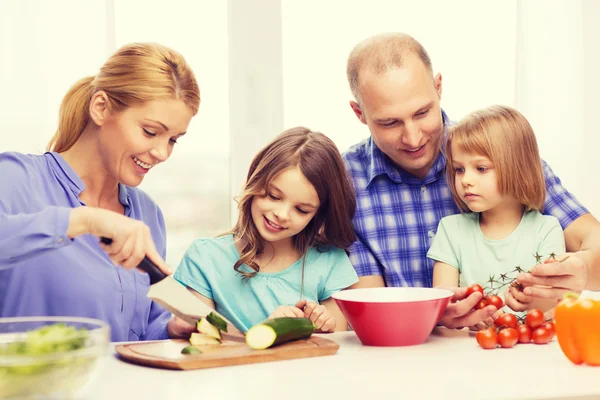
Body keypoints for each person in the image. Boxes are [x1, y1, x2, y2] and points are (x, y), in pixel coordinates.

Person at [342, 32, 600, 329]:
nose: (413, 138)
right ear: (359, 113)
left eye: (423, 112)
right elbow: (369, 309)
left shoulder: (500, 153)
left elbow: (591, 239)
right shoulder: (345, 184)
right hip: (406, 357)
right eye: (390, 122)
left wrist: (583, 268)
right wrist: (433, 312)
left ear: (438, 87)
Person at [0, 42, 200, 342]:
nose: (161, 152)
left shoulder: (147, 214)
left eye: (173, 139)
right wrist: (85, 221)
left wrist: (171, 328)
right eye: (150, 131)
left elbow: (142, 329)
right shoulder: (16, 179)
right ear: (101, 108)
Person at [174, 127, 359, 333]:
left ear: (318, 213)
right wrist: (269, 330)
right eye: (273, 196)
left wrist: (322, 325)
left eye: (301, 209)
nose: (282, 214)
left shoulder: (330, 261)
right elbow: (203, 339)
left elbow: (336, 345)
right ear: (255, 180)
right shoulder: (205, 258)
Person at [427, 105, 565, 329]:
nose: (465, 180)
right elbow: (444, 300)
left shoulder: (546, 229)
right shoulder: (451, 230)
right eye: (459, 169)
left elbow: (553, 300)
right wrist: (462, 310)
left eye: (481, 168)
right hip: (468, 349)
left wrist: (529, 299)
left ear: (517, 168)